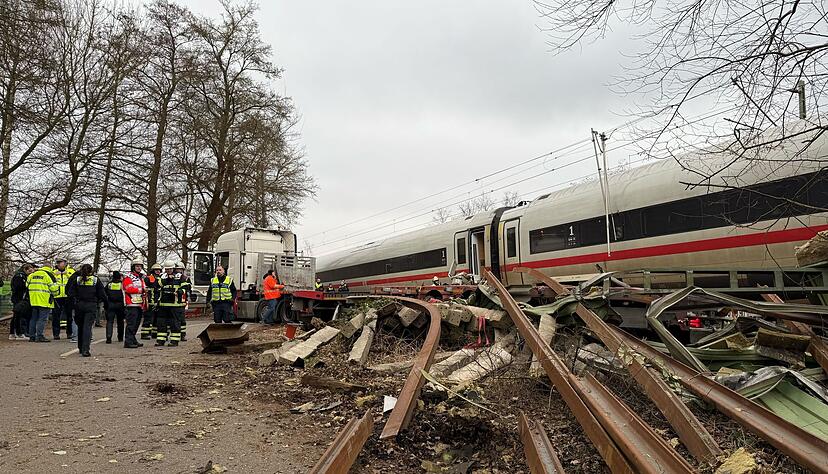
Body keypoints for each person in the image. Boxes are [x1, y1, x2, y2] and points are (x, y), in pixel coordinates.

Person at [66, 264, 106, 357]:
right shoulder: (95, 280)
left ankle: (80, 348)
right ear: (91, 271)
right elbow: (102, 294)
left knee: (80, 327)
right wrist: (100, 301)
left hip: (79, 305)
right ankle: (85, 350)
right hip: (91, 305)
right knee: (87, 327)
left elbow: (70, 293)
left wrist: (74, 303)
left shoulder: (77, 280)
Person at [27, 263, 60, 342]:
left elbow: (26, 285)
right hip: (44, 300)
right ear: (50, 267)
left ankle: (32, 336)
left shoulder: (32, 275)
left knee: (33, 319)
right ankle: (39, 336)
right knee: (42, 319)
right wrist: (56, 291)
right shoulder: (49, 275)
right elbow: (53, 288)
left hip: (33, 300)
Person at [156, 260, 185, 346]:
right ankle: (160, 340)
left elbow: (186, 286)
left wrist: (180, 291)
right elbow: (158, 285)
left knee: (174, 323)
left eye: (170, 269)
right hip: (163, 305)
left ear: (173, 268)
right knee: (161, 323)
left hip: (175, 305)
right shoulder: (162, 276)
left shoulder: (180, 276)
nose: (168, 270)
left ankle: (174, 341)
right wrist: (168, 279)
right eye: (167, 269)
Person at [122, 257, 146, 349]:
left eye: (140, 266)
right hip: (131, 303)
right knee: (131, 323)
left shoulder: (140, 278)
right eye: (137, 266)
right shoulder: (128, 277)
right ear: (133, 267)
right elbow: (128, 289)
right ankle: (128, 341)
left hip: (139, 304)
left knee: (136, 323)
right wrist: (141, 290)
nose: (139, 268)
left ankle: (133, 339)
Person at [50, 257, 76, 341]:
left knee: (69, 315)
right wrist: (56, 274)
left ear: (65, 263)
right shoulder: (53, 272)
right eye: (57, 263)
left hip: (68, 296)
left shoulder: (71, 271)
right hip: (57, 296)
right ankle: (56, 334)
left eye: (60, 262)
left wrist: (66, 273)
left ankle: (69, 333)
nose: (58, 264)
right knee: (55, 316)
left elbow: (75, 280)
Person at [10, 264, 34, 340]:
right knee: (18, 316)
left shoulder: (20, 276)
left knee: (16, 316)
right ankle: (18, 333)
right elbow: (18, 287)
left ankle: (13, 333)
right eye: (29, 271)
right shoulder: (19, 276)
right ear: (25, 270)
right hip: (19, 299)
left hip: (19, 298)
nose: (31, 273)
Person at [104, 271, 126, 344]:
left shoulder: (109, 284)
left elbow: (104, 293)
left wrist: (105, 304)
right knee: (120, 322)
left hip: (110, 304)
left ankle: (108, 338)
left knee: (110, 321)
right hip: (120, 305)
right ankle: (120, 337)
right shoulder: (122, 284)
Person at [141, 264, 162, 340]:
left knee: (156, 318)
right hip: (150, 302)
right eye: (156, 270)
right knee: (148, 318)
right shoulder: (148, 278)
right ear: (153, 271)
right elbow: (145, 289)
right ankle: (144, 334)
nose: (158, 271)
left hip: (158, 302)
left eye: (159, 270)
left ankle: (154, 333)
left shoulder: (160, 279)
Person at [173, 261, 191, 340]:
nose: (179, 271)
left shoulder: (185, 278)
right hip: (175, 301)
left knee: (182, 319)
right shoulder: (173, 278)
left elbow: (188, 289)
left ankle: (182, 334)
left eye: (180, 269)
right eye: (177, 269)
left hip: (183, 301)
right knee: (174, 319)